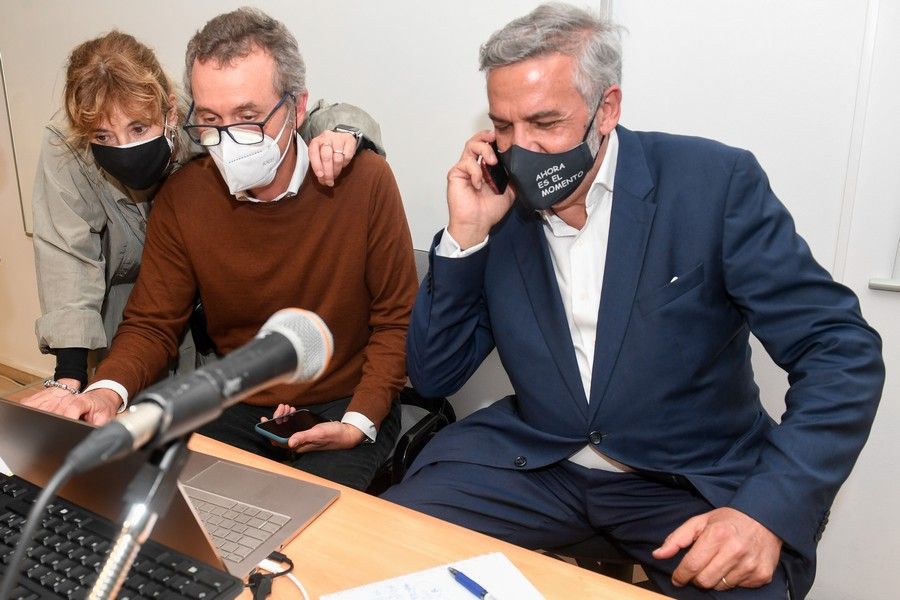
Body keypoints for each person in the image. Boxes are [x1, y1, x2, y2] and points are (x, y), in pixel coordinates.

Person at [381, 4, 884, 598]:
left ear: (608, 109)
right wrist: (466, 237)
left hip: (683, 480)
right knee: (383, 548)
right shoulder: (499, 207)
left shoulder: (712, 183)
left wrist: (770, 509)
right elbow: (435, 372)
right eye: (504, 126)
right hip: (535, 465)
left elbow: (838, 349)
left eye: (546, 123)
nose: (523, 150)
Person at [24, 8, 417, 491]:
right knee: (133, 493)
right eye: (210, 120)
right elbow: (152, 323)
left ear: (296, 108)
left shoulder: (364, 180)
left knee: (313, 532)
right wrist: (106, 393)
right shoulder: (185, 194)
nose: (229, 139)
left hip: (346, 400)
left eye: (248, 117)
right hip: (233, 400)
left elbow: (396, 319)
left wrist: (359, 420)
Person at [28, 30, 382, 405]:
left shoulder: (203, 117)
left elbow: (297, 114)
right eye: (103, 136)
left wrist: (344, 133)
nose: (123, 147)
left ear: (168, 110)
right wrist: (69, 374)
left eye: (137, 128)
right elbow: (66, 256)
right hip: (125, 297)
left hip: (208, 292)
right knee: (124, 395)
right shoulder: (66, 149)